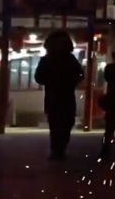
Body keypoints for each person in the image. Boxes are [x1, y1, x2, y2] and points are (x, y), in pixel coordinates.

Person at [34, 31, 84, 161]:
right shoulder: (69, 59)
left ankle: (57, 150)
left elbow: (39, 78)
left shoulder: (48, 60)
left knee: (57, 124)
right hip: (65, 97)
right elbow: (80, 75)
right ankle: (59, 149)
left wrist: (51, 79)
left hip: (54, 97)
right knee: (64, 123)